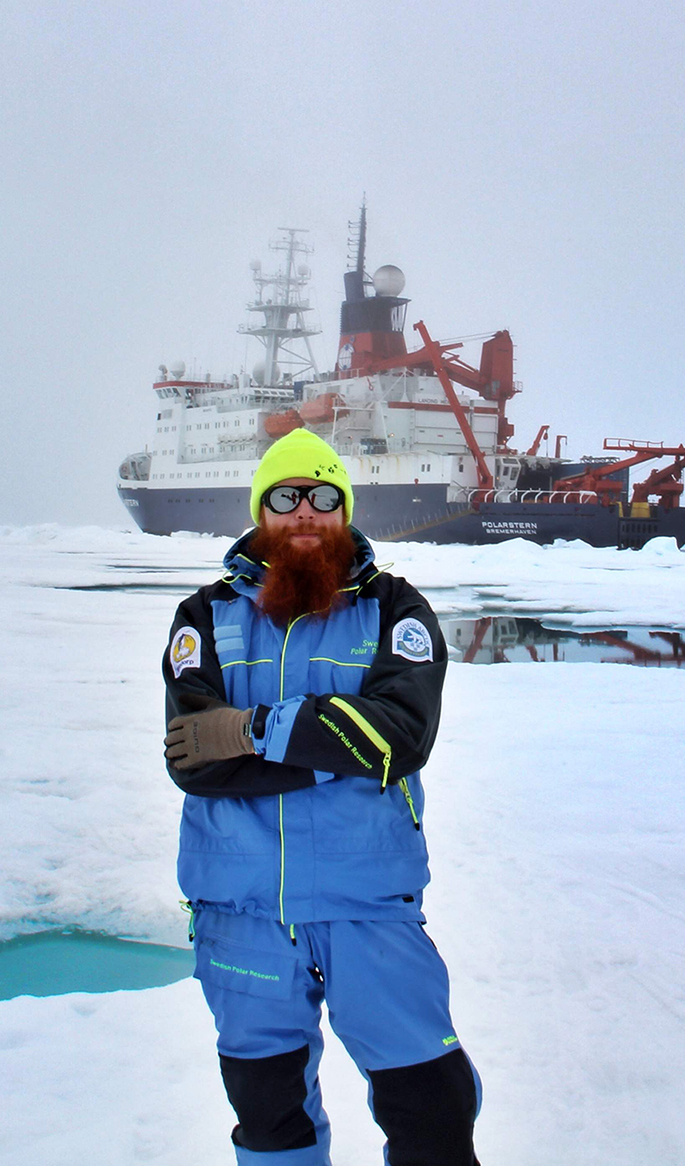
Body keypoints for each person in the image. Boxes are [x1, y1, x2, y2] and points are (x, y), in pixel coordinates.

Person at [163, 428, 482, 1166]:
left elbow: (401, 736)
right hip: (240, 911)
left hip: (368, 904)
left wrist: (251, 729)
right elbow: (195, 761)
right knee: (269, 1116)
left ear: (342, 510)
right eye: (286, 497)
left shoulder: (395, 611)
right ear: (260, 512)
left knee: (429, 1104)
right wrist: (337, 749)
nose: (305, 512)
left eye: (323, 497)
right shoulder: (203, 618)